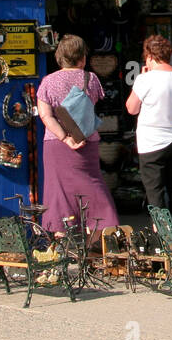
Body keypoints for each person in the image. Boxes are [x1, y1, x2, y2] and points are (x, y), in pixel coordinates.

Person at [35, 34, 119, 236]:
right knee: (93, 189)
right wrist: (75, 136)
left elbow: (45, 116)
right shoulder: (91, 79)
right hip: (86, 142)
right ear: (82, 57)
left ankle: (64, 246)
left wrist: (65, 138)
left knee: (59, 195)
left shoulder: (47, 82)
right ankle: (95, 243)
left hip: (56, 145)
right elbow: (88, 109)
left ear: (59, 57)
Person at [125, 35, 172, 229]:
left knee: (155, 190)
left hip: (150, 142)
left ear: (149, 56)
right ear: (169, 55)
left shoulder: (144, 79)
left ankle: (162, 231)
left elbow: (132, 108)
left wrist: (141, 78)